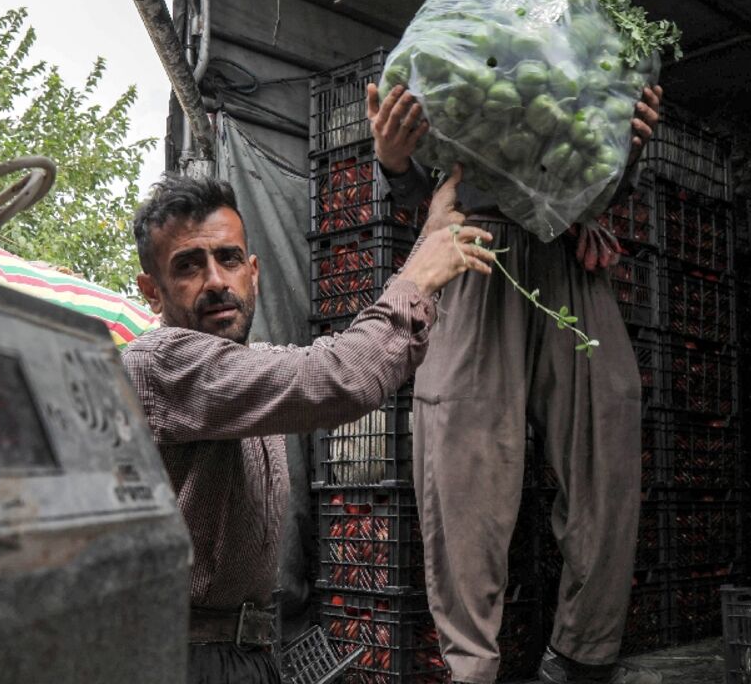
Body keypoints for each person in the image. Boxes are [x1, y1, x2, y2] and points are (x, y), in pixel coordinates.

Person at [366, 0, 665, 682]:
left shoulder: (586, 30)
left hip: (567, 254)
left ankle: (581, 657)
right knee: (462, 452)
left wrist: (630, 145)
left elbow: (595, 165)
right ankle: (472, 668)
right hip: (474, 245)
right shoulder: (471, 7)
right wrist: (393, 158)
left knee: (610, 422)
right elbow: (411, 186)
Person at [121, 170, 494, 684]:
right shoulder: (160, 363)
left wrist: (425, 242)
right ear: (152, 292)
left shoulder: (242, 368)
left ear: (253, 271)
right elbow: (337, 376)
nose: (215, 280)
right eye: (188, 266)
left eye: (228, 258)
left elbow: (326, 362)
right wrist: (420, 278)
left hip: (238, 653)